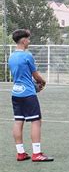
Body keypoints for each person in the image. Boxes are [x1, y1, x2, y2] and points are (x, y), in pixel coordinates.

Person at [8, 29, 53, 162]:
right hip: (28, 93)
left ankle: (20, 153)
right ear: (23, 40)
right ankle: (37, 153)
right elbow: (35, 75)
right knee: (36, 121)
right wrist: (42, 82)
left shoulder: (11, 56)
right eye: (28, 39)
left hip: (16, 93)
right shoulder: (27, 56)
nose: (29, 41)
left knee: (18, 121)